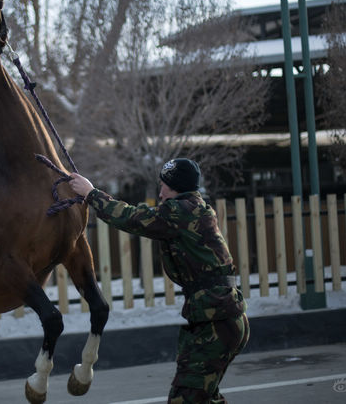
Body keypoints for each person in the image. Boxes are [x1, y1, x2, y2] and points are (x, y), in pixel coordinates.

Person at [68, 158, 249, 404]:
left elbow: (132, 218)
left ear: (178, 187)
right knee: (204, 397)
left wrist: (91, 193)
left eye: (165, 186)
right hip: (220, 316)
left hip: (215, 322)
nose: (161, 192)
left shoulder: (180, 211)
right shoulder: (194, 207)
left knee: (184, 398)